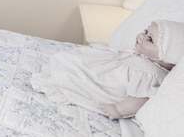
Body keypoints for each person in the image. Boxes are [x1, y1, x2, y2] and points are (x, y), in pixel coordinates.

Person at [31, 20, 184, 119]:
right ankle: (64, 65)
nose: (141, 36)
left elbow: (139, 99)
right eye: (145, 31)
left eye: (150, 39)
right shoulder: (143, 56)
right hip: (104, 68)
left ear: (168, 57)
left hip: (105, 82)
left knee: (74, 71)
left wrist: (118, 110)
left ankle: (64, 73)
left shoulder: (150, 75)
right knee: (71, 59)